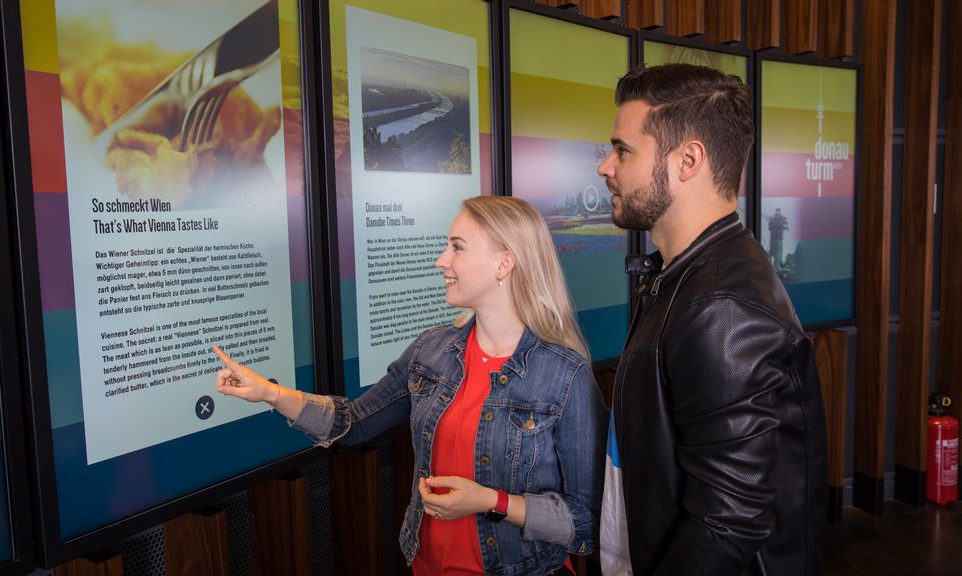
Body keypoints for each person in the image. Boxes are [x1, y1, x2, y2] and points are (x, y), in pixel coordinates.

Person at [213, 196, 607, 575]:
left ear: (504, 263)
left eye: (457, 247)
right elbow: (354, 423)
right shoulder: (431, 351)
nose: (441, 260)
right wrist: (271, 393)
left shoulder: (565, 374)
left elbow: (586, 522)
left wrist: (491, 501)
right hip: (426, 565)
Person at [596, 64, 827, 575]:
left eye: (623, 150)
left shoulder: (720, 306)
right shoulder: (684, 278)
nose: (605, 166)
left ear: (688, 160)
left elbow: (727, 522)